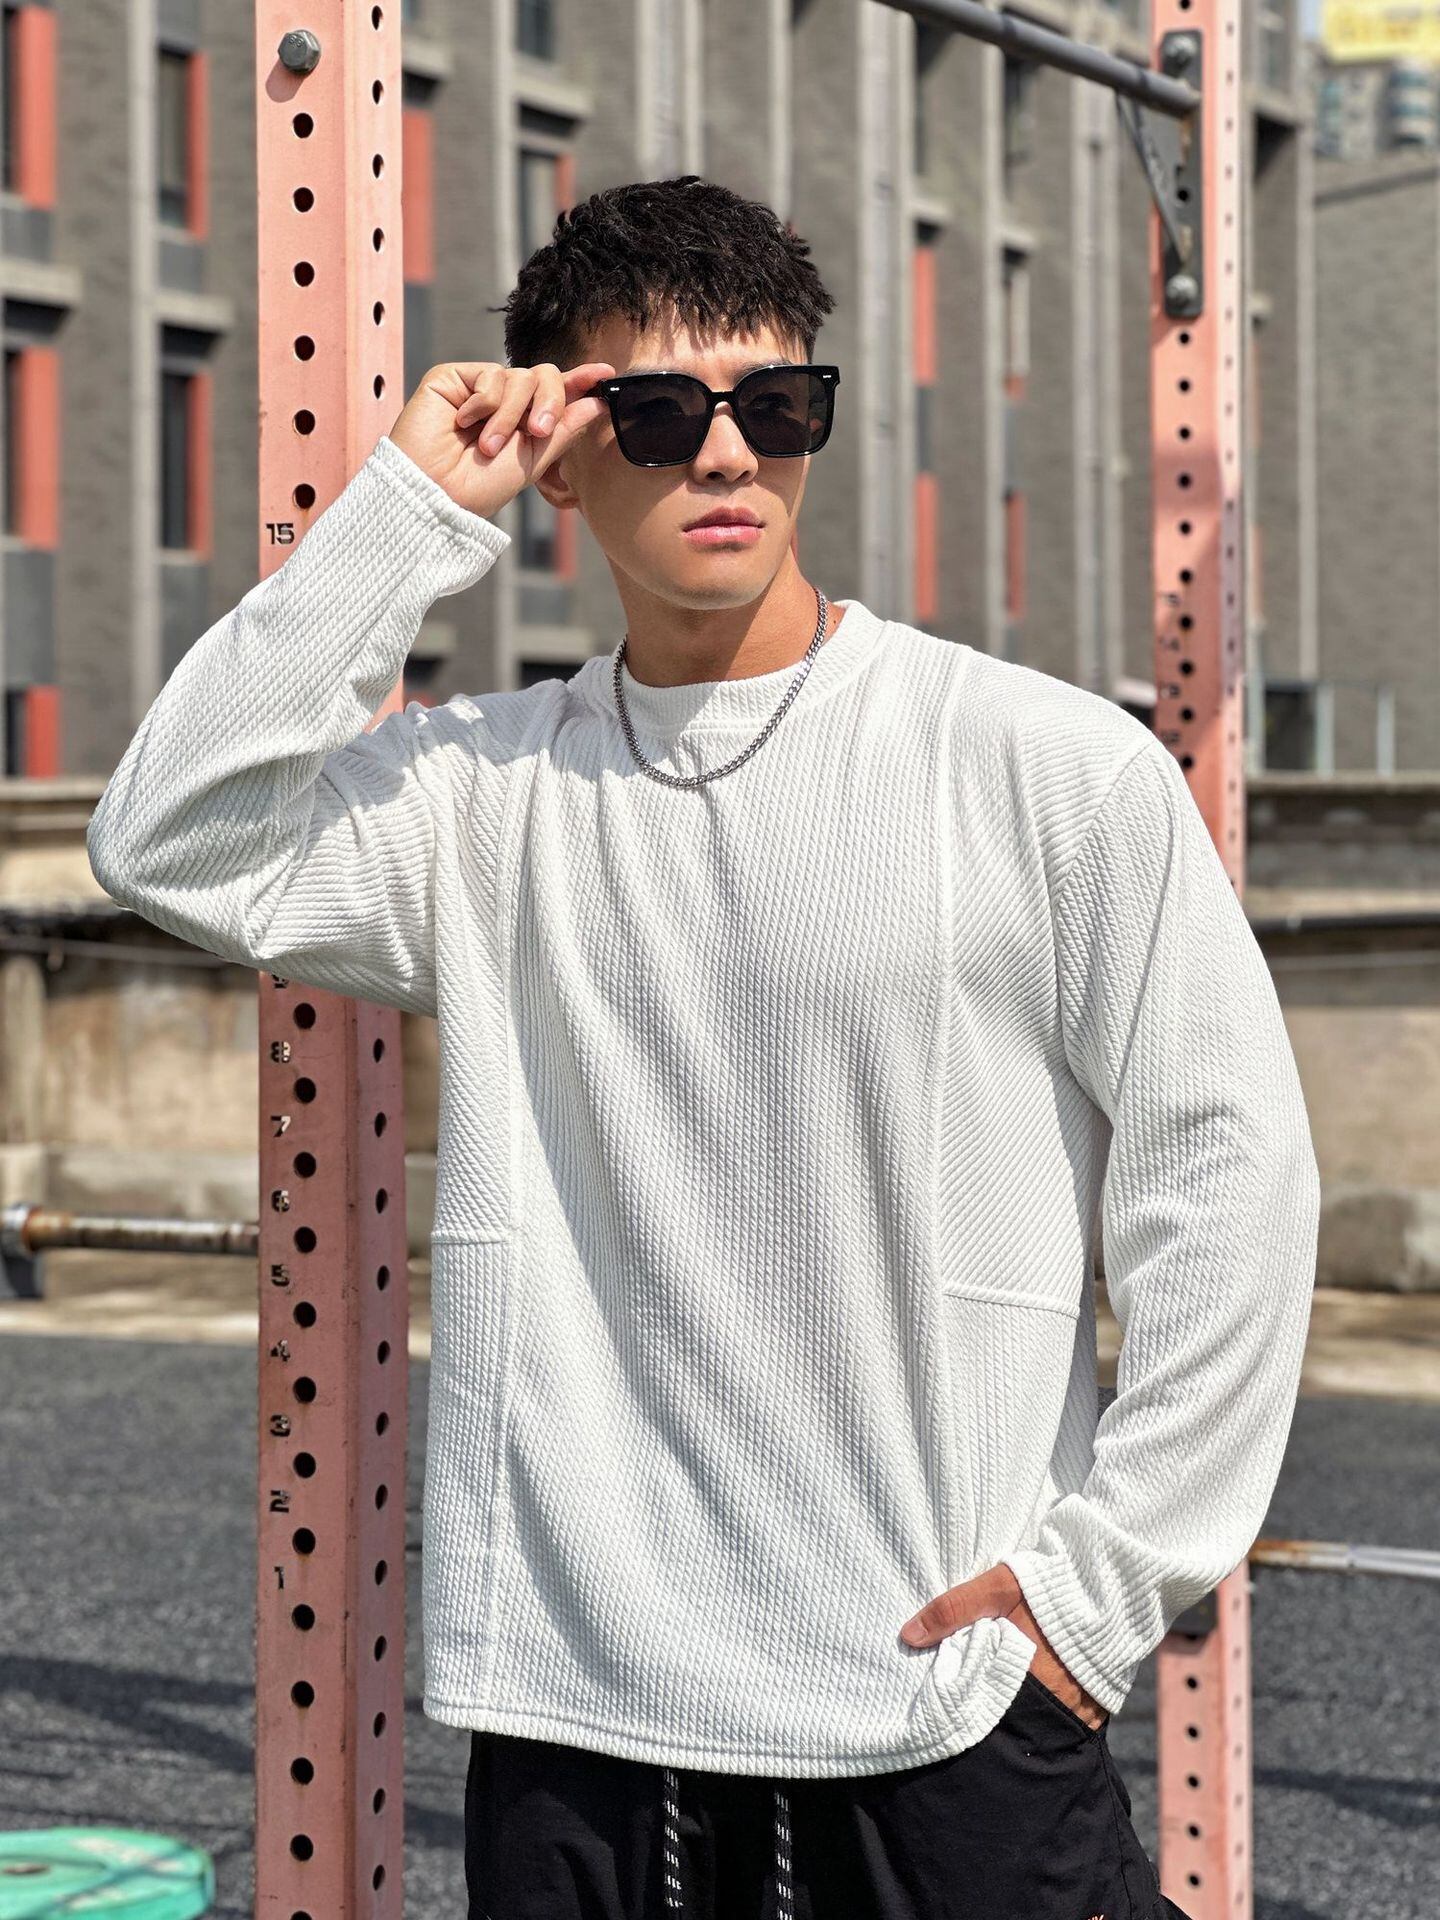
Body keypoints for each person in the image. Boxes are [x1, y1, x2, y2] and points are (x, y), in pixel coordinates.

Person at [87, 175, 1318, 1920]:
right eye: (660, 412)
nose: (728, 454)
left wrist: (1101, 1591)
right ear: (562, 456)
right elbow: (167, 839)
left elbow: (1230, 1169)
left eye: (777, 404)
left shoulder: (1041, 767)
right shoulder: (484, 795)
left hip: (944, 1700)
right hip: (582, 1717)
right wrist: (408, 512)